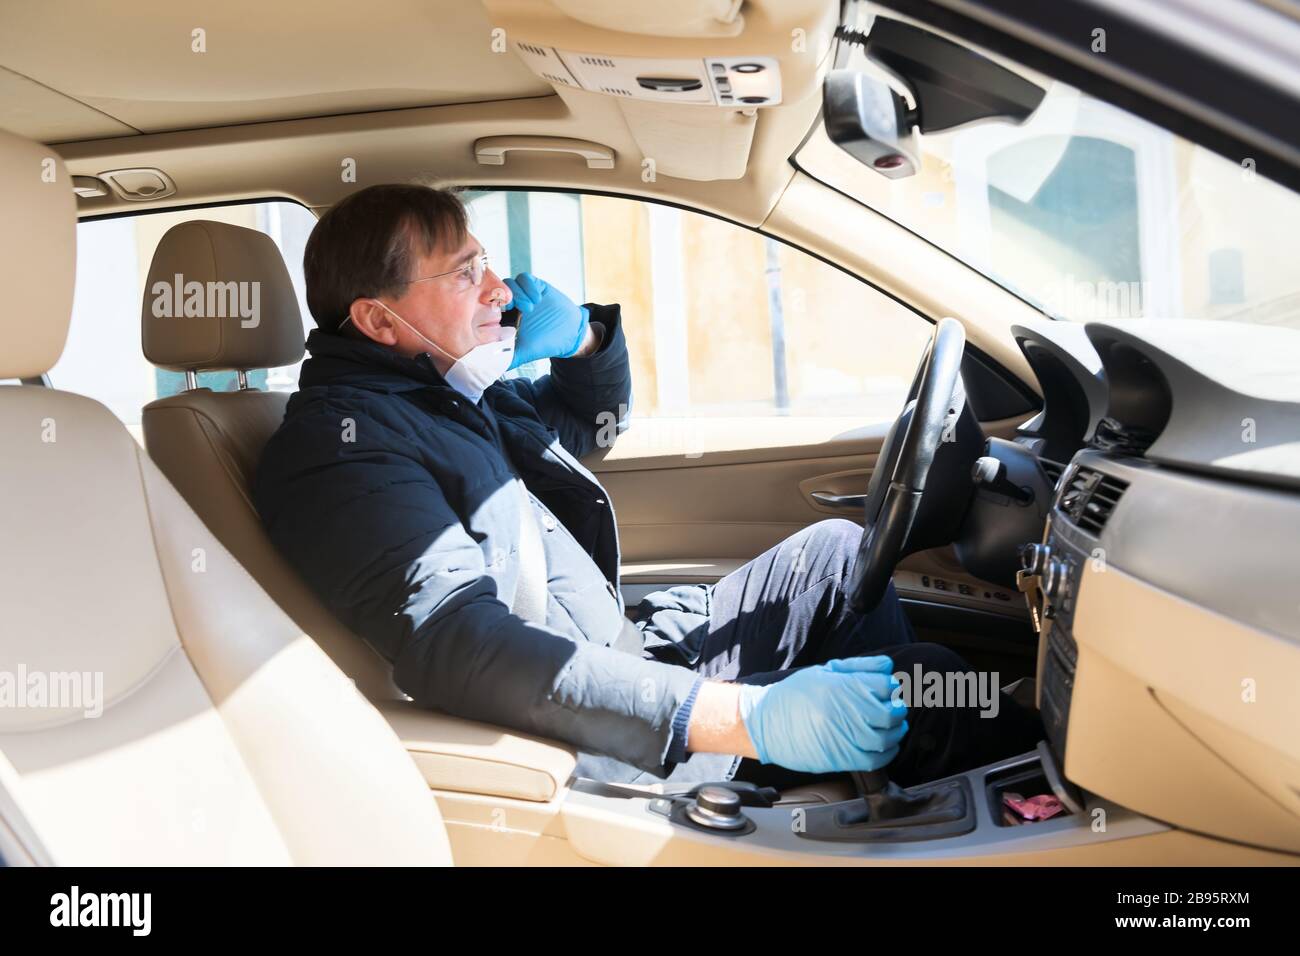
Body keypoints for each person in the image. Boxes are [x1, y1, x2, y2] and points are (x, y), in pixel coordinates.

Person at [253, 183, 1043, 790]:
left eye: (486, 263)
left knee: (837, 560)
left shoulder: (448, 397)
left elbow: (589, 419)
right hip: (598, 740)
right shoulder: (339, 449)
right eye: (465, 275)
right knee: (929, 689)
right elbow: (459, 648)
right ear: (380, 322)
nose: (498, 288)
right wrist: (745, 717)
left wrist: (584, 338)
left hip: (629, 648)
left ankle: (883, 797)